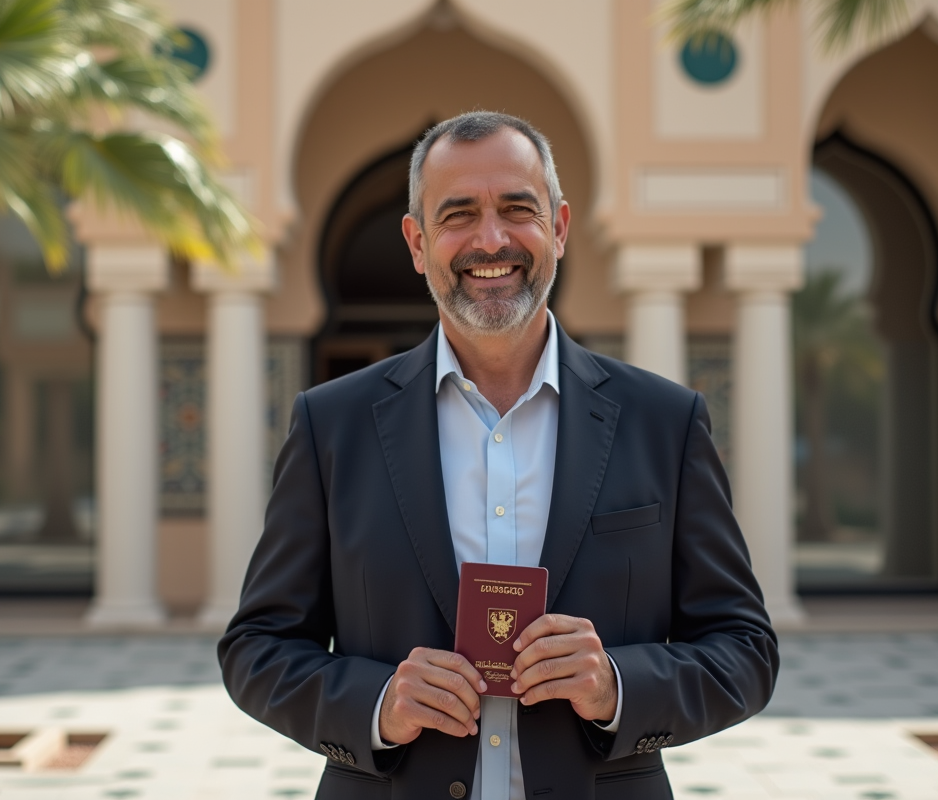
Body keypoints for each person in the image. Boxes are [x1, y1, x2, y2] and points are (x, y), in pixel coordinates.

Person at [218, 111, 779, 800]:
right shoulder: (331, 426)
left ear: (560, 228)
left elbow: (744, 651)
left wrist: (617, 686)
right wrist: (377, 703)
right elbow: (257, 648)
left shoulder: (664, 422)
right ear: (418, 243)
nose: (492, 239)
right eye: (458, 215)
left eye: (518, 209)